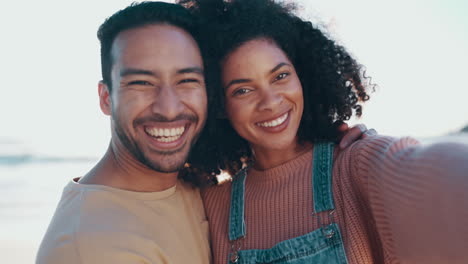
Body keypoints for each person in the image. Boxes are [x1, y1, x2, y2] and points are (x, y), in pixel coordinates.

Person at [36, 2, 367, 263]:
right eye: (141, 83)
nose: (168, 108)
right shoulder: (90, 248)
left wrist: (336, 147)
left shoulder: (200, 193)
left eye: (187, 80)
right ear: (106, 98)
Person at [178, 0, 468, 263]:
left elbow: (438, 179)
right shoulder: (213, 207)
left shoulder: (356, 164)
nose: (271, 102)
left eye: (280, 76)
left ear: (301, 75)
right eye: (242, 89)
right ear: (218, 105)